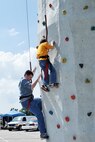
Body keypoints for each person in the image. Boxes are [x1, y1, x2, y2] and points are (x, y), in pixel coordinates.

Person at [18, 70, 49, 139]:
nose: (30, 79)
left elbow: (29, 73)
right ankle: (42, 133)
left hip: (31, 101)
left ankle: (40, 124)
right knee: (40, 115)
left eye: (31, 78)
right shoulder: (24, 81)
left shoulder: (23, 79)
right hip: (27, 103)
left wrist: (34, 69)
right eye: (30, 77)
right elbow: (32, 87)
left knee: (41, 101)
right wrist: (37, 79)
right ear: (26, 75)